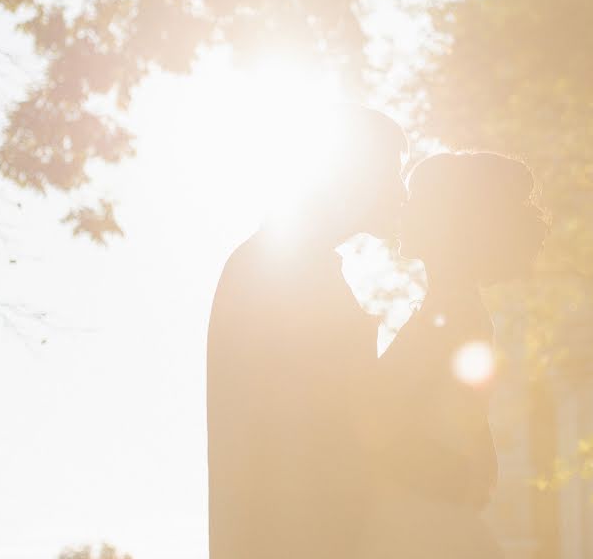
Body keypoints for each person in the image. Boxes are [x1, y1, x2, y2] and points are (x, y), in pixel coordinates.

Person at [206, 104, 408, 559]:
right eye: (392, 174)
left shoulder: (295, 264)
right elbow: (318, 424)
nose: (401, 192)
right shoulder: (278, 268)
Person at [361, 151, 548, 559]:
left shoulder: (455, 313)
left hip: (417, 522)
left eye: (416, 198)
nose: (402, 208)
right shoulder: (455, 309)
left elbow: (380, 415)